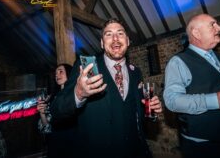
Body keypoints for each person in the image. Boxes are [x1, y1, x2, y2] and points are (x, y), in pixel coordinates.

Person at [51, 18, 163, 157]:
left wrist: (151, 111)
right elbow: (56, 110)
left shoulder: (136, 72)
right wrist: (78, 93)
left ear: (127, 41)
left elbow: (136, 113)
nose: (115, 38)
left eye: (120, 33)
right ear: (102, 44)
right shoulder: (87, 66)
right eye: (108, 34)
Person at [163, 14, 220, 158]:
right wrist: (215, 100)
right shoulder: (178, 62)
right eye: (213, 24)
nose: (219, 28)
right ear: (196, 33)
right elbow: (172, 101)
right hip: (205, 146)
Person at [36, 64, 75, 157]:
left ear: (69, 74)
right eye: (56, 73)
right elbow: (47, 129)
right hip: (55, 144)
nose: (57, 75)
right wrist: (42, 114)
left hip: (72, 144)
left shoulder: (76, 95)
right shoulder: (51, 97)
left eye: (61, 71)